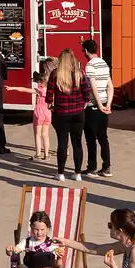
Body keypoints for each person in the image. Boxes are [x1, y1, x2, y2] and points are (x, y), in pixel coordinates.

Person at [54, 208, 135, 268]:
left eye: (110, 225)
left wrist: (114, 266)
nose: (109, 228)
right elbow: (95, 249)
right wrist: (65, 242)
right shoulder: (126, 245)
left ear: (120, 231)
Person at [49, 50, 94, 181]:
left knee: (62, 142)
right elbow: (86, 92)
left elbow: (49, 93)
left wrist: (49, 104)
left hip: (61, 112)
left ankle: (61, 173)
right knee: (77, 142)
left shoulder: (55, 74)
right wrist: (84, 102)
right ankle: (78, 173)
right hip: (78, 113)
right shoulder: (80, 74)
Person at [10, 57, 54, 160]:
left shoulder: (39, 90)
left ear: (41, 82)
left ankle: (38, 153)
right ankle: (46, 154)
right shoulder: (50, 91)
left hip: (39, 113)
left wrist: (13, 88)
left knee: (37, 134)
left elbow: (25, 90)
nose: (38, 83)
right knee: (45, 135)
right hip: (48, 113)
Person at [82, 39, 113, 178]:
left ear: (86, 51)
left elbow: (93, 87)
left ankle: (92, 167)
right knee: (103, 137)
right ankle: (107, 167)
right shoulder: (104, 64)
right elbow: (110, 86)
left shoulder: (89, 66)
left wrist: (99, 104)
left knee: (90, 138)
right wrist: (108, 105)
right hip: (105, 104)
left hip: (93, 105)